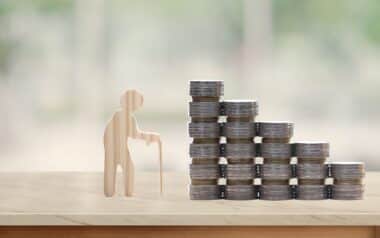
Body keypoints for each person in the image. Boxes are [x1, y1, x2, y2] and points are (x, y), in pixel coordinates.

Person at [104, 90, 161, 197]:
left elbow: (132, 134)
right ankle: (125, 192)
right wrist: (150, 137)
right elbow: (135, 134)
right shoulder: (125, 117)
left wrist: (149, 137)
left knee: (111, 168)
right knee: (128, 168)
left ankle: (110, 191)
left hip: (113, 147)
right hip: (118, 147)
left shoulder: (119, 115)